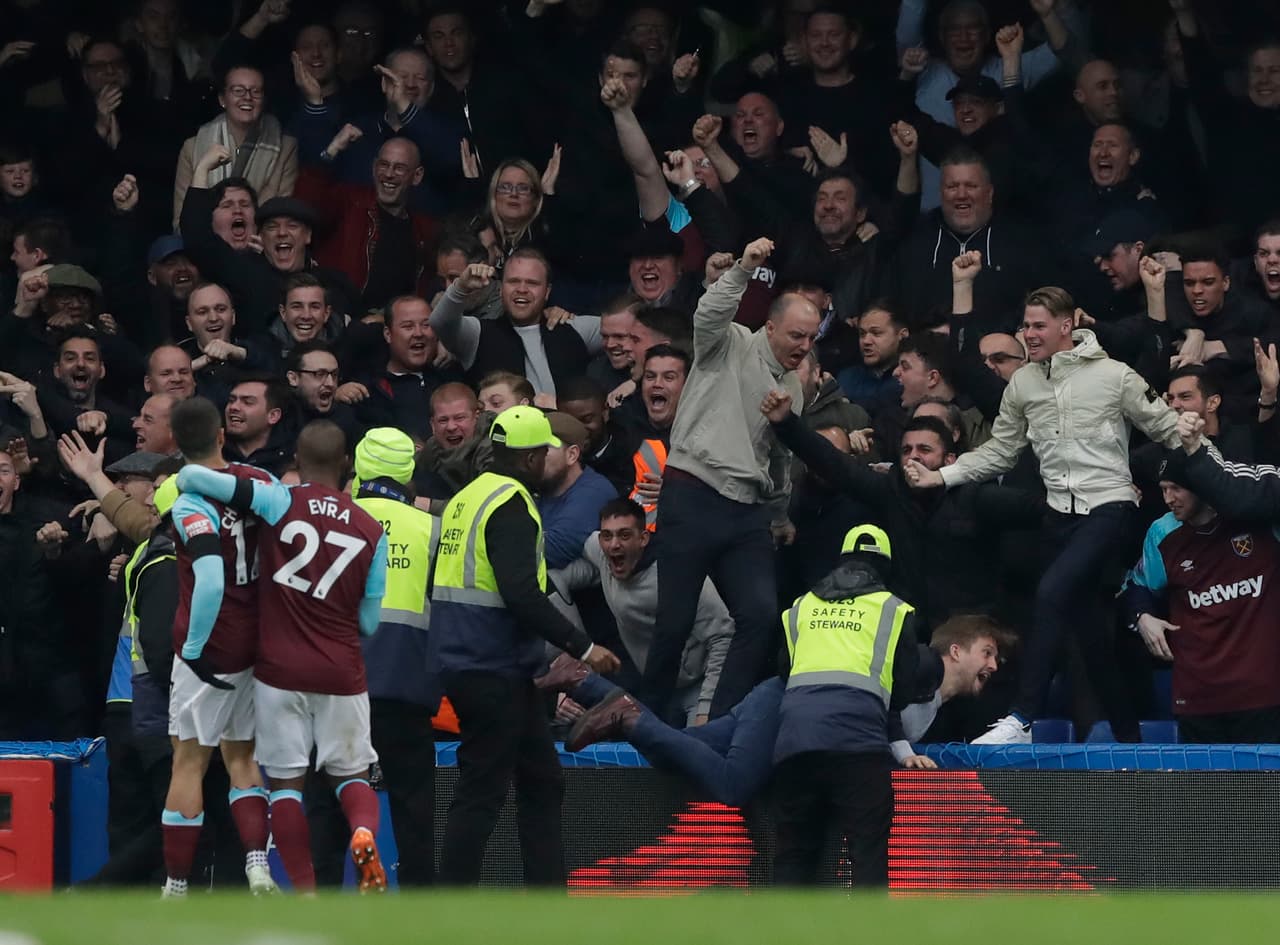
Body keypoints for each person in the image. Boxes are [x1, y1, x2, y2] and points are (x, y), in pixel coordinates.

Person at [905, 286, 1182, 744]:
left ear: (1066, 326)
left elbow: (1166, 428)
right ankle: (1131, 746)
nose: (1029, 335)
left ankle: (1022, 717)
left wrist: (1201, 446)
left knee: (1051, 594)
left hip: (1110, 507)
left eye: (1038, 326)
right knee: (1092, 639)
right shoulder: (1024, 383)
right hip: (1059, 517)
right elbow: (1001, 451)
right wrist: (943, 477)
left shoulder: (1113, 375)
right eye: (1025, 326)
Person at [176, 419, 390, 893]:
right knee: (352, 775)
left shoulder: (279, 500)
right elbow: (370, 623)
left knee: (286, 787)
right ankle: (362, 832)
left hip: (278, 671)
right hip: (341, 669)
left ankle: (306, 892)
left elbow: (192, 479)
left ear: (296, 458)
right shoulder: (373, 530)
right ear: (347, 464)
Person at [429, 406, 621, 886]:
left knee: (542, 780)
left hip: (476, 661)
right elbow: (520, 594)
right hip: (491, 664)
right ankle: (448, 911)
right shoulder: (511, 503)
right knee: (482, 790)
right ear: (533, 457)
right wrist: (585, 647)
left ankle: (546, 899)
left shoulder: (467, 497)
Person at [555, 613, 1006, 806]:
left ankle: (582, 680)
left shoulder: (934, 705)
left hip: (778, 697)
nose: (993, 664)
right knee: (732, 786)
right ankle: (626, 714)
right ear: (954, 650)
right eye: (986, 651)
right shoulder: (918, 669)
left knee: (671, 755)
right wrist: (903, 752)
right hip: (788, 706)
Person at [648, 237, 817, 718]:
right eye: (795, 337)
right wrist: (743, 269)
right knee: (674, 624)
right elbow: (707, 314)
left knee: (761, 616)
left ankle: (719, 722)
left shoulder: (792, 390)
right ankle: (644, 724)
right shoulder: (729, 343)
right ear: (769, 327)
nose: (802, 348)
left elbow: (781, 459)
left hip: (747, 513)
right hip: (693, 494)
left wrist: (780, 516)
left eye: (810, 339)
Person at [160, 396, 275, 898]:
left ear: (174, 442)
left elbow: (209, 579)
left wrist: (194, 649)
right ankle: (257, 867)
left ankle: (176, 887)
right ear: (221, 435)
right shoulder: (258, 482)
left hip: (210, 650)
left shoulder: (185, 501)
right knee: (243, 757)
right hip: (258, 642)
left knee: (189, 762)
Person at [772, 524, 919, 886]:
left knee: (793, 855)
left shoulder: (800, 606)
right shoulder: (894, 609)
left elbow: (783, 669)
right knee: (866, 854)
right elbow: (906, 682)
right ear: (885, 566)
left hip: (795, 744)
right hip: (858, 746)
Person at [1121, 450, 1280, 744]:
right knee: (1204, 791)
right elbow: (1136, 586)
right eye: (1163, 490)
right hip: (1198, 698)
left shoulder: (1259, 522)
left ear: (1202, 485)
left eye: (1176, 488)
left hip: (1263, 696)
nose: (1168, 499)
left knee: (1263, 791)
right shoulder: (1162, 532)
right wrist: (1142, 617)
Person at [352, 427, 441, 886]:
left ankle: (325, 898)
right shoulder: (431, 527)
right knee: (414, 809)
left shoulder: (335, 521)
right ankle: (420, 911)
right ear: (410, 472)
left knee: (331, 802)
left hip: (340, 685)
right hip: (409, 683)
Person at [553, 498, 733, 726]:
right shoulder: (601, 553)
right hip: (652, 685)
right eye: (607, 536)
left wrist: (705, 708)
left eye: (625, 535)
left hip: (696, 684)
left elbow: (723, 636)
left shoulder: (678, 576)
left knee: (696, 748)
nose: (614, 545)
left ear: (643, 539)